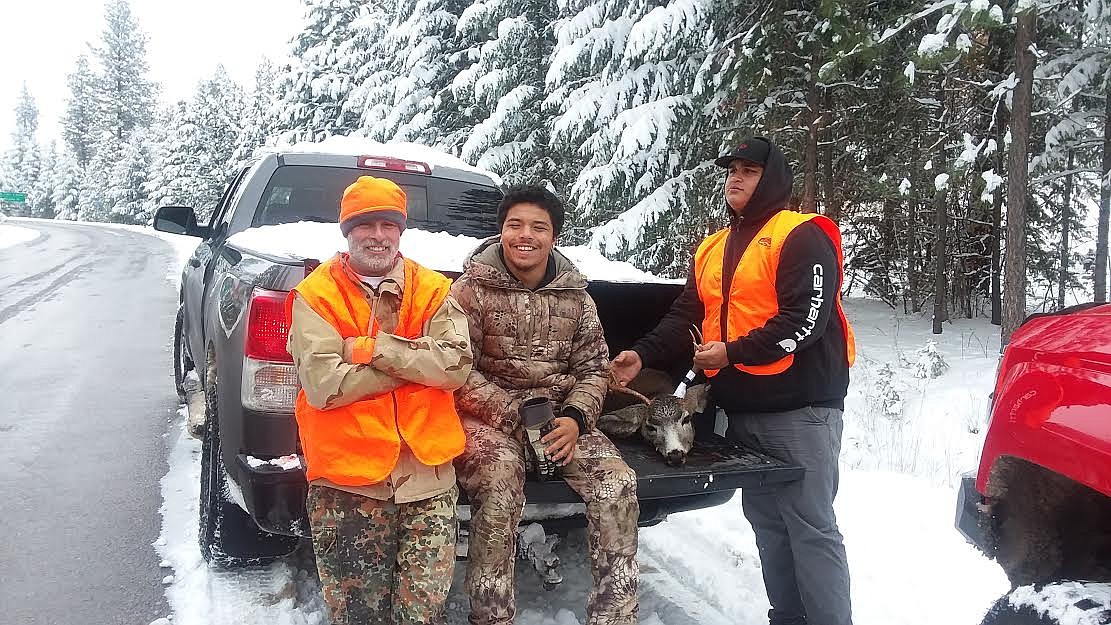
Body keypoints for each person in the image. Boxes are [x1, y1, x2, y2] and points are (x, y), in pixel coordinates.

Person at [611, 137, 857, 625]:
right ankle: (787, 617)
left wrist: (733, 352)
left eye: (750, 170)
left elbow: (803, 322)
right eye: (732, 169)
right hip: (741, 409)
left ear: (775, 179)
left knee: (810, 526)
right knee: (767, 522)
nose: (736, 178)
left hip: (801, 409)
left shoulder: (801, 235)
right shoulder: (713, 247)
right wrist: (641, 355)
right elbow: (687, 313)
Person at [285, 175, 473, 625]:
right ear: (347, 232)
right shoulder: (316, 296)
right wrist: (415, 365)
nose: (377, 235)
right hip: (348, 486)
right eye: (365, 224)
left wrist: (373, 350)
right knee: (358, 616)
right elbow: (324, 385)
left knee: (422, 615)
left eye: (388, 224)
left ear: (401, 231)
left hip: (427, 483)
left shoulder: (433, 290)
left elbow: (455, 368)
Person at [451, 185, 640, 625]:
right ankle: (491, 615)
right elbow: (456, 370)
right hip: (488, 417)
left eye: (539, 227)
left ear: (554, 236)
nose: (525, 235)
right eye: (515, 224)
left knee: (617, 483)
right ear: (501, 231)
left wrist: (575, 419)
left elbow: (595, 370)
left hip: (560, 417)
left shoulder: (577, 298)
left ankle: (615, 615)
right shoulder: (470, 291)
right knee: (498, 481)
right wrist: (512, 414)